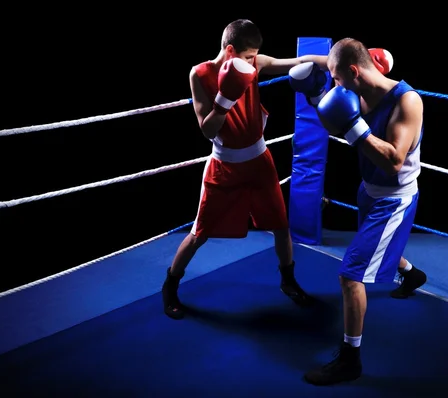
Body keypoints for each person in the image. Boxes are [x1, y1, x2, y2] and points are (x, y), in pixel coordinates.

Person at [161, 19, 329, 320]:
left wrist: (343, 61)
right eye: (249, 56)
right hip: (224, 166)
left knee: (280, 226)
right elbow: (208, 130)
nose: (253, 63)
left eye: (255, 56)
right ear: (230, 50)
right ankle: (170, 284)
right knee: (199, 234)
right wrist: (226, 99)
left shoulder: (256, 64)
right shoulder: (200, 74)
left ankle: (288, 281)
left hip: (259, 162)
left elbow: (301, 60)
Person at [302, 38, 428, 385]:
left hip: (394, 198)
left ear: (354, 72)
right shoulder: (355, 88)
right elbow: (335, 116)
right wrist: (314, 97)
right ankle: (412, 274)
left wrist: (353, 126)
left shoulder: (407, 101)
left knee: (350, 275)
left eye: (336, 79)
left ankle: (350, 359)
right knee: (377, 247)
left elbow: (393, 161)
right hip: (368, 190)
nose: (335, 85)